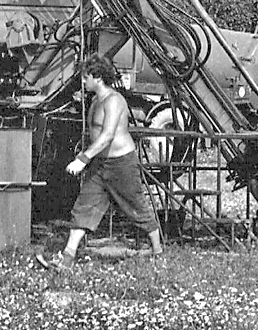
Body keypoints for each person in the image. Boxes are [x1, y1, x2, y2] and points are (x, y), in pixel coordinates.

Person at [37, 54, 163, 270]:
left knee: (137, 207)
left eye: (86, 78)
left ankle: (158, 253)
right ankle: (66, 259)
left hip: (121, 163)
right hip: (100, 165)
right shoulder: (96, 100)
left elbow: (107, 135)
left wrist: (83, 159)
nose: (83, 81)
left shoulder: (114, 101)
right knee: (84, 207)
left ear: (97, 77)